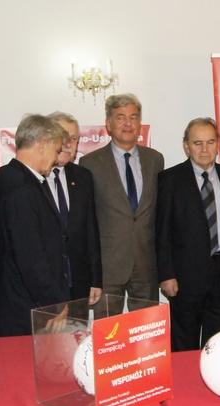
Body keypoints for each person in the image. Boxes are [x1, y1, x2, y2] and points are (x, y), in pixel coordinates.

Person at [155, 117, 220, 351]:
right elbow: (162, 232)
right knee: (184, 345)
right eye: (197, 143)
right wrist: (166, 275)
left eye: (210, 142)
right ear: (186, 146)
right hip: (184, 279)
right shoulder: (170, 180)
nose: (204, 149)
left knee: (217, 345)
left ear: (218, 144)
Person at [0, 114, 69, 336]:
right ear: (43, 145)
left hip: (7, 303)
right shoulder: (23, 189)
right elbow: (30, 256)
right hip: (28, 309)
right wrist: (55, 303)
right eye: (57, 150)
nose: (57, 159)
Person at [79, 94, 164, 310]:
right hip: (108, 265)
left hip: (146, 263)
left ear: (140, 124)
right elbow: (87, 218)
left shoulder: (155, 159)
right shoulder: (89, 163)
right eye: (120, 117)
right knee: (109, 329)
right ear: (108, 125)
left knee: (146, 327)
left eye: (133, 118)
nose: (128, 123)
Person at [46, 111, 103, 304]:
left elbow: (91, 231)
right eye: (62, 137)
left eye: (73, 138)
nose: (68, 144)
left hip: (78, 283)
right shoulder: (33, 180)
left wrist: (96, 280)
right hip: (45, 286)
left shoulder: (83, 176)